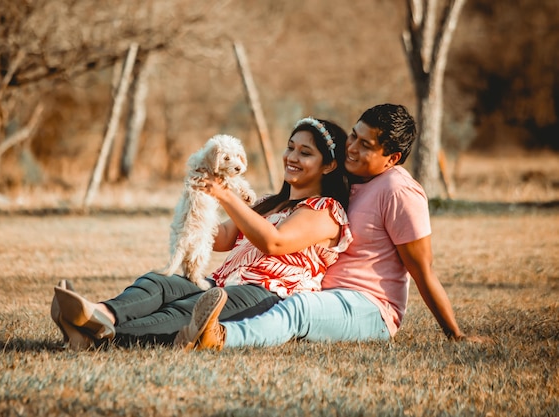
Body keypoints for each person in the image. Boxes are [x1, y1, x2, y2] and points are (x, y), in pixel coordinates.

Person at [176, 103, 486, 351]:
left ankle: (220, 337)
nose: (351, 147)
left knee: (300, 308)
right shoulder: (349, 181)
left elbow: (423, 270)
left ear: (391, 158)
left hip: (369, 307)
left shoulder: (399, 191)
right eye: (354, 135)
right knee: (294, 301)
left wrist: (454, 333)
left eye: (366, 145)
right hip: (322, 293)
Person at [50, 117, 352, 349]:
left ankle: (98, 338)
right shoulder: (267, 204)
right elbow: (220, 239)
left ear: (329, 165)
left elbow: (274, 242)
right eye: (290, 147)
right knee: (162, 282)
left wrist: (225, 195)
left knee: (187, 311)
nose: (292, 157)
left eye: (305, 152)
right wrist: (196, 205)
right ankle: (99, 314)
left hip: (266, 295)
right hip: (222, 281)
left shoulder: (326, 211)